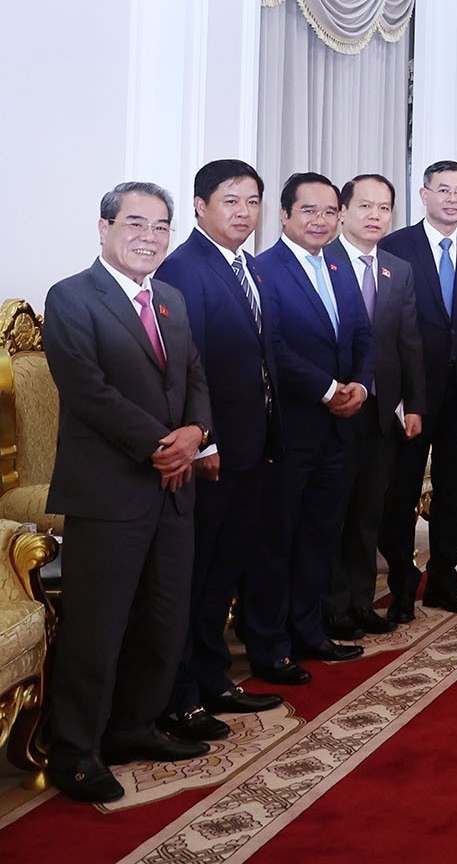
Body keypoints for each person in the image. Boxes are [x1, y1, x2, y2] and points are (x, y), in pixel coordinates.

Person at [42, 182, 213, 803]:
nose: (150, 236)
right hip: (110, 491)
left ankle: (134, 727)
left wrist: (196, 433)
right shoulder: (71, 296)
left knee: (163, 619)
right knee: (97, 627)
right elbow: (86, 389)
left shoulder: (170, 298)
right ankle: (74, 752)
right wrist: (161, 444)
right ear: (104, 227)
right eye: (136, 223)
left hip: (174, 487)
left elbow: (194, 375)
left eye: (161, 226)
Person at [155, 161, 283, 743]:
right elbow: (187, 366)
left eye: (252, 201)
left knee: (223, 571)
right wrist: (203, 439)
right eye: (231, 200)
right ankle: (179, 695)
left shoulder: (245, 265)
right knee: (195, 574)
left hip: (250, 446)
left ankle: (213, 678)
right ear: (200, 205)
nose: (244, 212)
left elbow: (260, 358)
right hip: (211, 450)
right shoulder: (184, 268)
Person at [247, 173, 376, 685]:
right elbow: (272, 346)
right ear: (283, 215)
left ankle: (309, 631)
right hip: (290, 429)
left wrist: (360, 386)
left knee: (320, 535)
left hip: (339, 431)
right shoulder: (264, 270)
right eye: (308, 211)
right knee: (277, 539)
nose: (320, 221)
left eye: (329, 212)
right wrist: (328, 389)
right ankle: (269, 646)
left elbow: (363, 334)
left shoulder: (339, 264)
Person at [380, 160, 457, 619]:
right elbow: (385, 325)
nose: (453, 199)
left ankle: (444, 578)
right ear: (424, 194)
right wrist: (394, 393)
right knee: (402, 489)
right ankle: (401, 581)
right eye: (444, 190)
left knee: (455, 487)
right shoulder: (395, 246)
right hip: (412, 392)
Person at [324, 173, 425, 638]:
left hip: (382, 411)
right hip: (331, 407)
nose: (375, 216)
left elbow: (409, 342)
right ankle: (330, 608)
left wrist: (414, 403)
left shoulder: (397, 269)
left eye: (384, 208)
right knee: (333, 512)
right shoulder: (321, 261)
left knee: (368, 512)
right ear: (343, 211)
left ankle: (361, 602)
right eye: (365, 206)